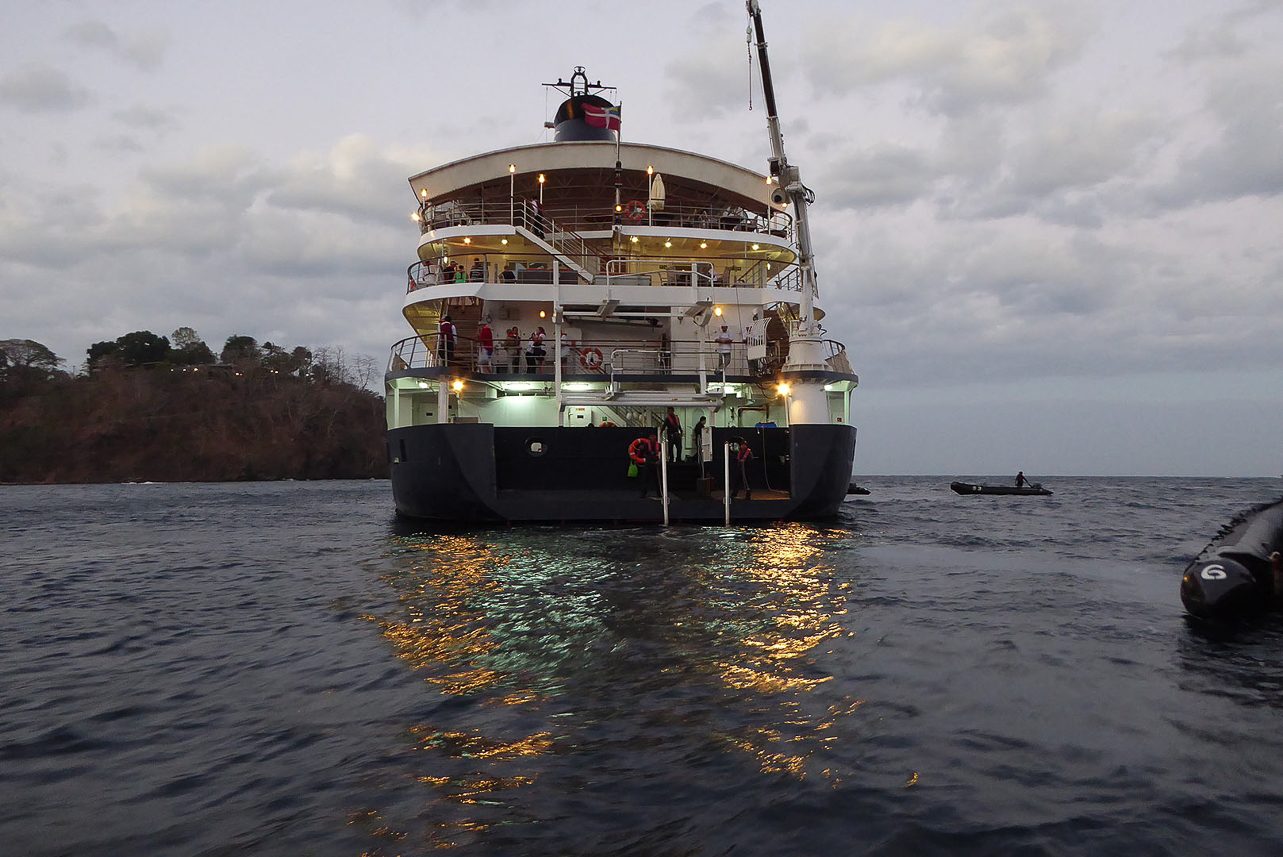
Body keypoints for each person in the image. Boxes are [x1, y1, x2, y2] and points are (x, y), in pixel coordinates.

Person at [629, 432, 661, 498]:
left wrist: (659, 461)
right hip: (648, 463)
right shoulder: (645, 445)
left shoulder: (659, 445)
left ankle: (659, 493)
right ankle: (643, 493)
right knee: (645, 479)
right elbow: (640, 454)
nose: (652, 438)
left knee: (657, 480)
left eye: (654, 436)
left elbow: (662, 454)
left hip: (656, 463)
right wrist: (640, 449)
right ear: (649, 437)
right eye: (651, 436)